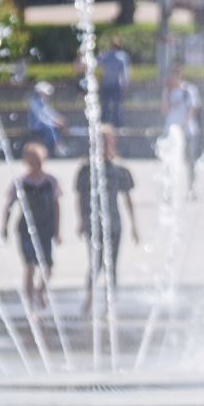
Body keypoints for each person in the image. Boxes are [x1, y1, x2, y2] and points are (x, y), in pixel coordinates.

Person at [75, 124, 140, 315]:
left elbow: (128, 200)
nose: (103, 144)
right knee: (95, 262)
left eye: (106, 140)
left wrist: (135, 226)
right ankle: (89, 297)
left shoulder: (119, 169)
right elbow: (80, 197)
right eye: (100, 141)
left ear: (112, 142)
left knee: (112, 263)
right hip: (93, 222)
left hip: (114, 222)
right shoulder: (86, 169)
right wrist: (80, 220)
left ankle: (110, 303)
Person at [2, 141, 61, 309]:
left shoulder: (51, 181)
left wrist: (58, 231)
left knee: (48, 265)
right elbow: (9, 205)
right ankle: (29, 302)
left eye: (40, 160)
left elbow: (57, 206)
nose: (37, 164)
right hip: (26, 229)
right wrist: (4, 227)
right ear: (27, 162)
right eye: (33, 161)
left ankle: (40, 291)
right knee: (29, 265)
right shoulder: (21, 182)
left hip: (46, 228)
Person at [163, 67, 201, 193]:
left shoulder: (188, 90)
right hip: (171, 130)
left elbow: (192, 108)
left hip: (187, 131)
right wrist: (167, 95)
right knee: (170, 162)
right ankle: (169, 190)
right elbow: (164, 111)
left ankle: (192, 188)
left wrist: (184, 124)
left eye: (174, 76)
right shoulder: (168, 91)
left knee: (190, 161)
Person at [99, 37, 131, 129]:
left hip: (110, 84)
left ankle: (108, 122)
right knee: (113, 105)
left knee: (110, 105)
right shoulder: (121, 56)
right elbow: (125, 72)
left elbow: (99, 63)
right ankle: (114, 123)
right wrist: (126, 83)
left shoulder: (108, 55)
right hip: (113, 84)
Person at [28, 81, 65, 156]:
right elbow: (40, 117)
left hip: (42, 125)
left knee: (53, 128)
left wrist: (58, 119)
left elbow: (50, 113)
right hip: (36, 125)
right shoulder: (34, 102)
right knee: (50, 128)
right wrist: (54, 123)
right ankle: (51, 149)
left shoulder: (43, 102)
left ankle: (56, 147)